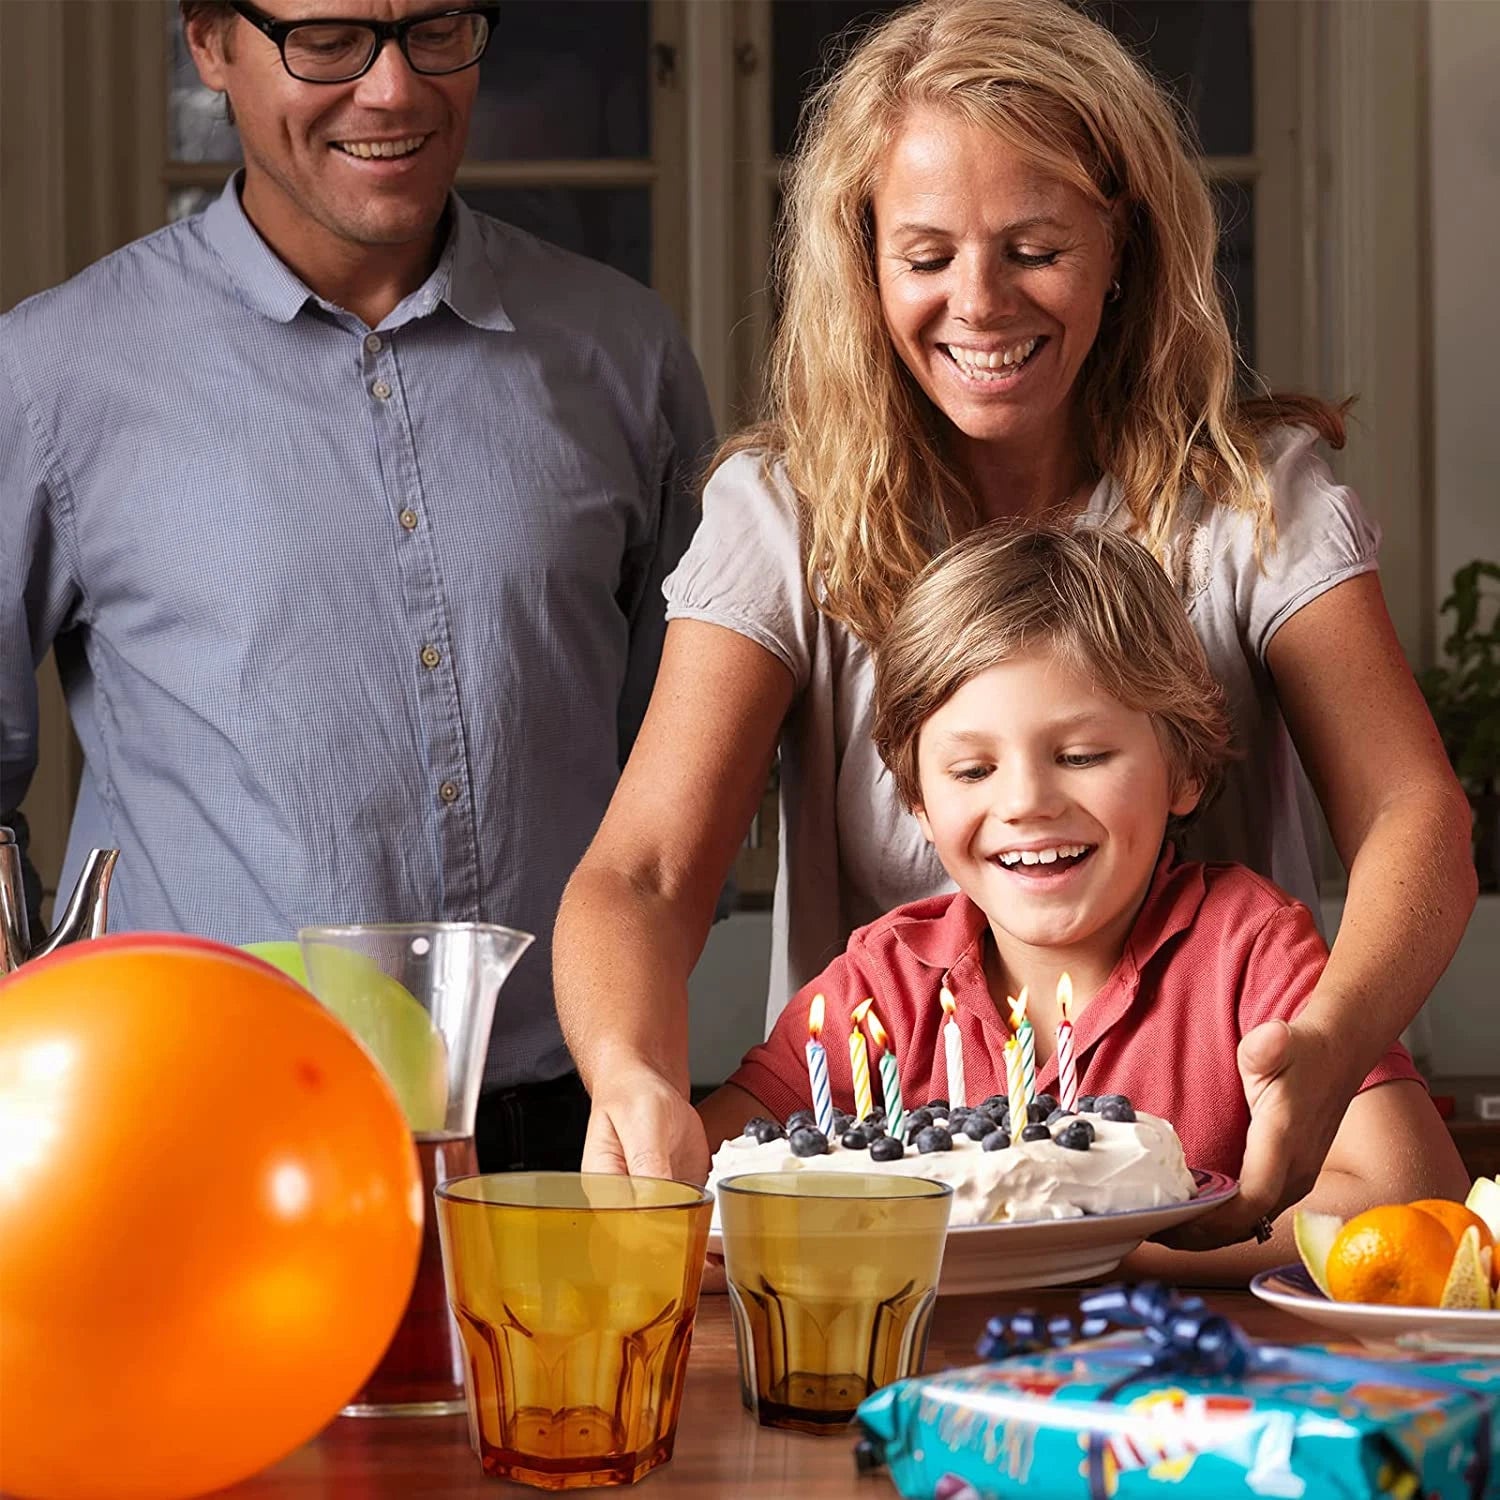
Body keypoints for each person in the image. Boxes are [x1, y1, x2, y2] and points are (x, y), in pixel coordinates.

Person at [554, 0, 1475, 1246]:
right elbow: (646, 874)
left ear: (1122, 248)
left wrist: (1333, 1040)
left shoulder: (1254, 500)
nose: (979, 304)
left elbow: (1415, 816)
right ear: (865, 263)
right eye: (926, 257)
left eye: (1034, 248)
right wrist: (631, 1078)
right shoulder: (783, 514)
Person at [0, 0, 714, 1173]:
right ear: (210, 42)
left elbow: (681, 784)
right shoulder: (53, 372)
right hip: (202, 1141)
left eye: (434, 30)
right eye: (327, 40)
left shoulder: (622, 352)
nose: (392, 91)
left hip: (576, 1140)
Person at [695, 525, 1468, 1280]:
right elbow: (687, 1201)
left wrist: (1107, 1250)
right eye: (972, 771)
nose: (1026, 802)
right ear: (919, 804)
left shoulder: (1248, 949)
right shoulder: (881, 987)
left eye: (1081, 755)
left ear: (1184, 771)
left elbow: (1413, 1194)